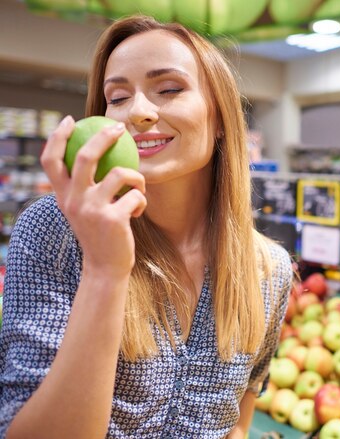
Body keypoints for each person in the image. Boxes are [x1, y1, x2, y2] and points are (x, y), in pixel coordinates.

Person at [0, 15, 292, 439]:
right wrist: (104, 270)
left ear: (221, 115)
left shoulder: (270, 269)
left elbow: (239, 420)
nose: (137, 112)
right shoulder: (56, 232)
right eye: (117, 98)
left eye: (169, 89)